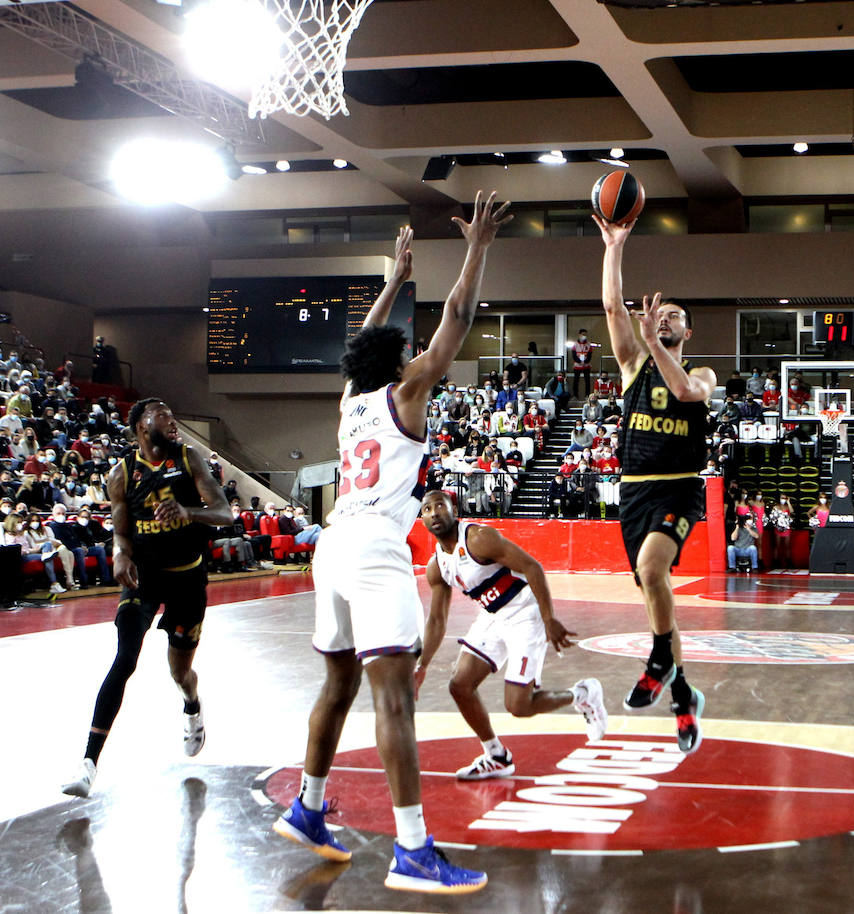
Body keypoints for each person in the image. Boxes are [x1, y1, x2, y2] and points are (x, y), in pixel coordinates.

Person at [274, 203, 508, 895]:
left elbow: (365, 341)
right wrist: (477, 250)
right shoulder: (406, 392)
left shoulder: (351, 398)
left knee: (337, 683)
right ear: (398, 362)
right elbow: (458, 322)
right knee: (394, 700)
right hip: (375, 546)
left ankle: (310, 809)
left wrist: (394, 281)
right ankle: (413, 851)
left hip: (333, 541)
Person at [62, 398, 233, 798]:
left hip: (188, 581)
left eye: (174, 416)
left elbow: (225, 513)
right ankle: (88, 764)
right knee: (125, 659)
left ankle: (192, 704)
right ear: (141, 426)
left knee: (179, 672)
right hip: (144, 579)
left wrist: (188, 512)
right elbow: (121, 531)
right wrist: (120, 552)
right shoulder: (121, 472)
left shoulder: (189, 459)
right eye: (163, 417)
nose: (173, 423)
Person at [597, 211, 712, 754]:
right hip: (635, 489)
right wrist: (614, 246)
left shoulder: (702, 374)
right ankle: (683, 692)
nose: (663, 318)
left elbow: (687, 393)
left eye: (674, 317)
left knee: (650, 569)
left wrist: (655, 344)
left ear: (687, 332)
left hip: (680, 486)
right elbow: (609, 306)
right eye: (658, 314)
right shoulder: (631, 364)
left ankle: (661, 660)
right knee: (654, 595)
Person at [416, 490, 606, 779]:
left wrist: (549, 618)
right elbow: (437, 619)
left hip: (525, 613)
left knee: (519, 705)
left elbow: (532, 567)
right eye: (427, 509)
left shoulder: (478, 538)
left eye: (439, 505)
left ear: (453, 508)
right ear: (422, 519)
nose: (434, 513)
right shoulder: (436, 566)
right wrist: (422, 665)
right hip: (493, 616)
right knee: (460, 685)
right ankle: (496, 756)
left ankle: (583, 694)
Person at [47, 502, 112, 587]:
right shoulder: (52, 526)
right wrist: (79, 546)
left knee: (99, 550)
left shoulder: (68, 525)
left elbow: (76, 538)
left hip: (77, 547)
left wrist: (82, 545)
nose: (61, 515)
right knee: (79, 551)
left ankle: (105, 579)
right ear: (53, 514)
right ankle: (83, 581)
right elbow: (62, 541)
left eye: (63, 513)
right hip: (66, 550)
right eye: (58, 513)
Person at [569, 328, 595, 398]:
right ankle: (575, 395)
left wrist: (585, 362)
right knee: (576, 381)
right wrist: (580, 361)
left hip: (586, 365)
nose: (584, 336)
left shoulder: (589, 344)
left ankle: (587, 395)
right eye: (583, 334)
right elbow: (574, 355)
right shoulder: (575, 344)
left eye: (585, 335)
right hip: (577, 365)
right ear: (579, 335)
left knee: (587, 381)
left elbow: (590, 355)